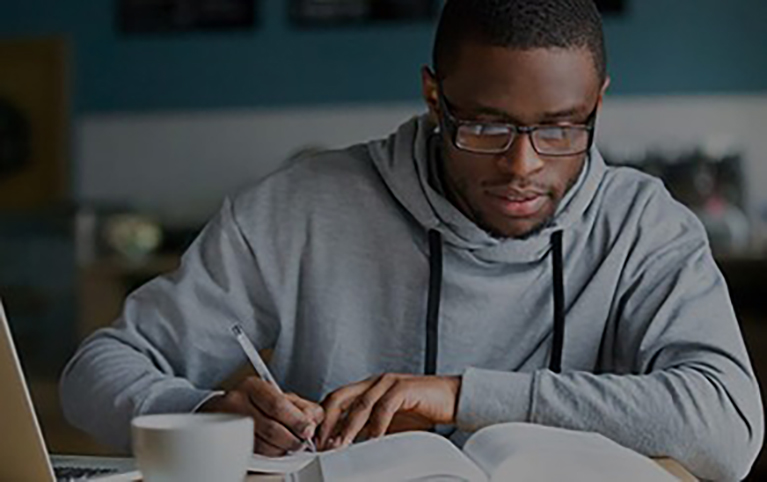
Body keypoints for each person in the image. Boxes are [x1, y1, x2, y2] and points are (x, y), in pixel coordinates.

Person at [60, 0, 763, 479]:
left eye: (560, 129)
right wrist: (207, 414)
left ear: (597, 103)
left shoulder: (643, 226)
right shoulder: (299, 207)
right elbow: (98, 369)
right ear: (433, 97)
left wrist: (458, 396)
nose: (523, 165)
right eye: (485, 126)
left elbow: (727, 426)